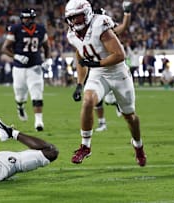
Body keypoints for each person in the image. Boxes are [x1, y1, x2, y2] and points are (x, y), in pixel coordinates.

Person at [65, 0, 146, 166]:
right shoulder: (72, 35)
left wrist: (98, 64)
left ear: (86, 14)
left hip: (118, 73)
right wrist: (79, 84)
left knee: (130, 117)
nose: (74, 22)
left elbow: (119, 54)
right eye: (71, 18)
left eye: (77, 17)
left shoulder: (99, 23)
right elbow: (80, 56)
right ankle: (85, 146)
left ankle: (138, 145)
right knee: (88, 101)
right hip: (98, 73)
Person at [1, 8, 52, 131]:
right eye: (25, 18)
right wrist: (16, 56)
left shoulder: (40, 29)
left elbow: (47, 47)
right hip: (19, 68)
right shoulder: (15, 29)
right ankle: (20, 107)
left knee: (37, 94)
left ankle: (39, 122)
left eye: (29, 18)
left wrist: (47, 60)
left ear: (33, 18)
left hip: (35, 67)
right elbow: (5, 48)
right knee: (20, 96)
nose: (27, 20)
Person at [89, 2, 132, 132]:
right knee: (95, 98)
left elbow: (123, 27)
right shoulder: (86, 33)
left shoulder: (108, 30)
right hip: (97, 69)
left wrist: (127, 12)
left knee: (111, 98)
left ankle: (119, 105)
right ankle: (102, 123)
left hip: (114, 69)